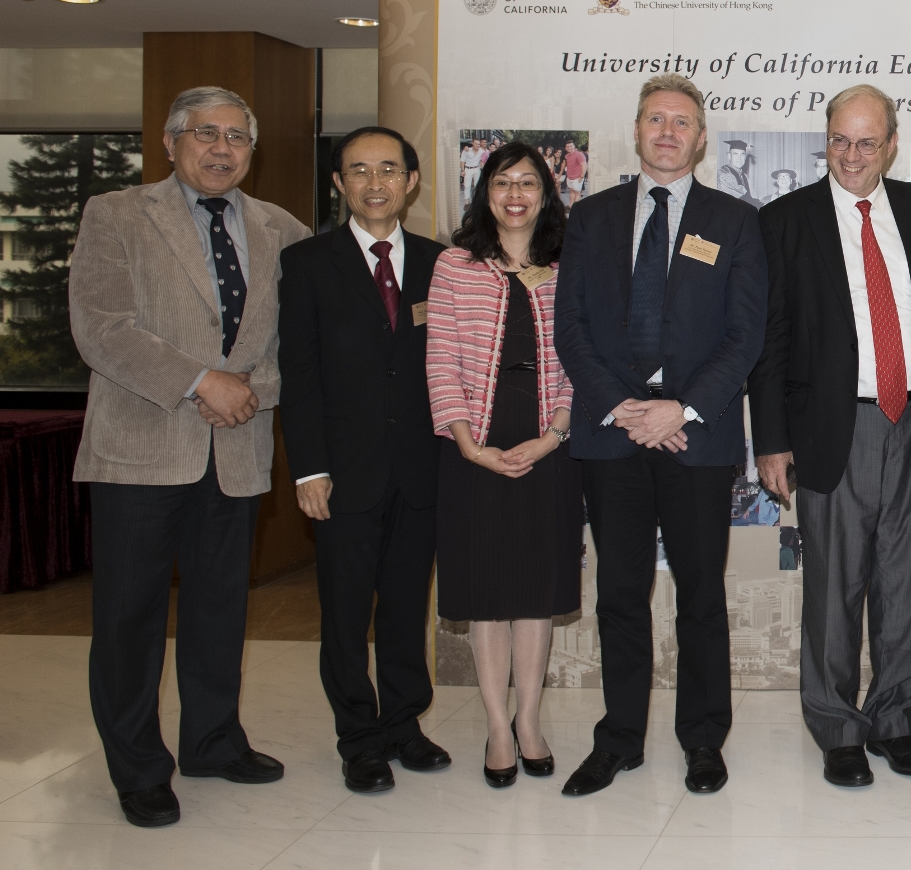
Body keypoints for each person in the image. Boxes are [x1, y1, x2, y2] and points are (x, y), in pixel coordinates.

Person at [70, 86, 311, 828]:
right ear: (171, 141)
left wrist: (245, 389)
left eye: (237, 137)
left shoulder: (283, 230)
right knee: (128, 616)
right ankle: (138, 765)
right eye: (205, 133)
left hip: (234, 448)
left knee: (219, 608)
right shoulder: (116, 214)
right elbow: (102, 329)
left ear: (252, 150)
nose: (221, 148)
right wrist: (200, 380)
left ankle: (211, 740)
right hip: (139, 448)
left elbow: (294, 346)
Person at [554, 74, 767, 797]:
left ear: (701, 137)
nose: (668, 132)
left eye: (682, 121)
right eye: (655, 120)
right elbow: (570, 328)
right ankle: (619, 738)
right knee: (619, 592)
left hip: (695, 438)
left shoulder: (735, 221)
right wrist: (623, 406)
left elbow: (744, 336)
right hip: (612, 434)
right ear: (636, 131)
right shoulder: (591, 218)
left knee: (701, 594)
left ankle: (703, 739)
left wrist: (679, 408)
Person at [749, 85, 911, 787]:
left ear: (892, 144)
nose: (852, 155)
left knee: (905, 581)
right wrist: (771, 439)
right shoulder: (785, 220)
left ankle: (895, 719)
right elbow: (769, 340)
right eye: (840, 140)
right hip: (831, 426)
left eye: (867, 142)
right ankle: (837, 726)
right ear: (826, 140)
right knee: (834, 586)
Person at [279, 127, 451, 794]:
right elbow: (300, 374)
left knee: (407, 606)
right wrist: (308, 467)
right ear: (338, 184)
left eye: (388, 169)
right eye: (358, 171)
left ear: (411, 180)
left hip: (421, 468)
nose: (374, 183)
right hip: (341, 473)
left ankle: (404, 723)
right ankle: (359, 737)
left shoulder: (444, 264)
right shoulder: (307, 264)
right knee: (346, 612)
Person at [425, 142, 581, 789]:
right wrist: (465, 440)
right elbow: (441, 357)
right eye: (501, 182)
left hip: (548, 445)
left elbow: (583, 358)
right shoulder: (455, 266)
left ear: (546, 194)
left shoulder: (568, 265)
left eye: (527, 183)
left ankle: (529, 722)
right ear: (483, 193)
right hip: (474, 447)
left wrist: (553, 435)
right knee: (488, 595)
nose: (514, 193)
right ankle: (495, 725)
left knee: (535, 596)